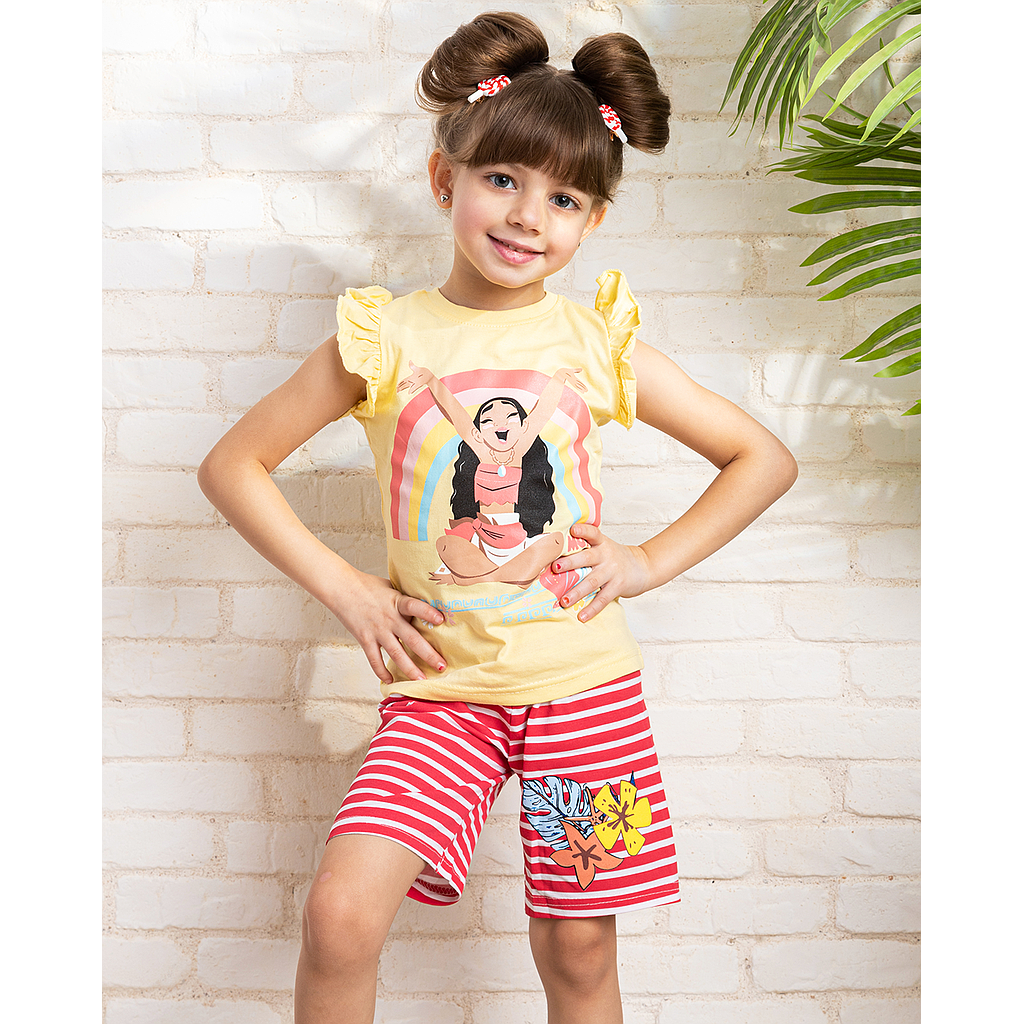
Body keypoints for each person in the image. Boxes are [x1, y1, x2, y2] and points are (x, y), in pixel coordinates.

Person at [197, 11, 798, 1024]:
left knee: (577, 947)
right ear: (446, 179)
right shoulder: (383, 338)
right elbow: (234, 465)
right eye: (503, 180)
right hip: (442, 698)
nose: (527, 216)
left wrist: (645, 561)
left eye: (563, 198)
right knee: (340, 917)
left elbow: (762, 458)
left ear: (591, 222)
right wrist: (350, 591)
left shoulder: (595, 345)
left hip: (584, 695)